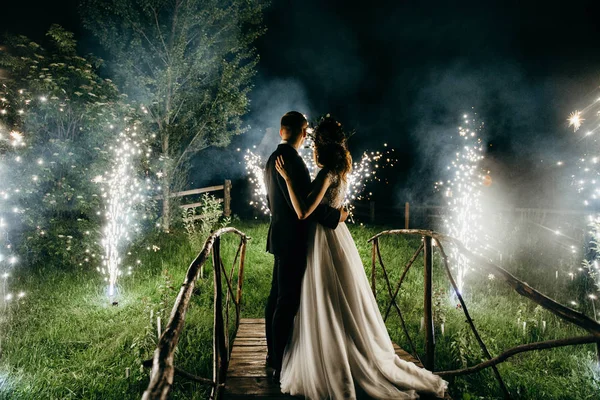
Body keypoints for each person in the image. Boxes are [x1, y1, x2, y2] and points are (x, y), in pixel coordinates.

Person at [275, 115, 448, 399]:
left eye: (315, 141)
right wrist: (341, 214)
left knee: (326, 297)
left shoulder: (325, 174)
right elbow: (335, 207)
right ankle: (343, 344)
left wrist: (288, 179)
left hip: (322, 239)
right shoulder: (340, 172)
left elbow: (305, 212)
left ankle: (335, 356)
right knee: (341, 298)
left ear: (321, 145)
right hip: (338, 237)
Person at [264, 111, 349, 381]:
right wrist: (339, 216)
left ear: (281, 132)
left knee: (276, 297)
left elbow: (272, 201)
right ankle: (278, 360)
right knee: (286, 301)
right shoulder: (294, 163)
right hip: (294, 240)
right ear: (303, 133)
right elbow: (307, 209)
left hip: (279, 236)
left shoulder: (271, 160)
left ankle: (273, 353)